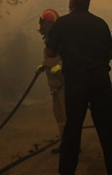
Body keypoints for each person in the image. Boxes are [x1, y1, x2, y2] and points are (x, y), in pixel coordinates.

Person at [46, 0, 112, 175]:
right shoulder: (99, 23)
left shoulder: (63, 23)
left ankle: (66, 170)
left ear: (72, 4)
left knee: (73, 128)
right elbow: (110, 53)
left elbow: (50, 52)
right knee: (109, 126)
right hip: (100, 79)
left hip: (76, 80)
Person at [36, 8, 67, 154]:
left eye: (42, 23)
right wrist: (43, 65)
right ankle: (64, 142)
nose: (40, 26)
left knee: (66, 115)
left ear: (48, 24)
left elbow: (68, 57)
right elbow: (50, 58)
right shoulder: (49, 40)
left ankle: (71, 145)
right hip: (55, 85)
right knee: (59, 115)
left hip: (64, 84)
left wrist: (59, 67)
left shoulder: (60, 39)